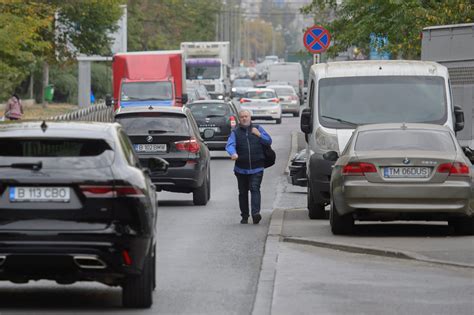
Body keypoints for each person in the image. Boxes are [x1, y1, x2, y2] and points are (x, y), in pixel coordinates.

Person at [226, 110, 272, 224]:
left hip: (257, 167)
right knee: (243, 192)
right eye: (242, 117)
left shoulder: (258, 128)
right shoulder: (235, 132)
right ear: (239, 119)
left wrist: (259, 135)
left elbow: (268, 141)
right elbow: (230, 144)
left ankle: (255, 213)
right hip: (241, 168)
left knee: (255, 188)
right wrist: (233, 153)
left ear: (250, 117)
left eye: (246, 116)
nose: (244, 119)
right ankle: (245, 216)